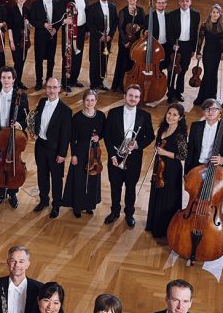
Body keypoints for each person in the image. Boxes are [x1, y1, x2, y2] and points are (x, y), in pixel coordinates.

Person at [104, 85, 155, 228]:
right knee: (115, 186)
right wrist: (112, 155)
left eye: (136, 97)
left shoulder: (145, 115)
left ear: (139, 99)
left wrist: (138, 144)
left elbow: (150, 136)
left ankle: (129, 214)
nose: (133, 99)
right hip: (116, 157)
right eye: (131, 96)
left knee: (131, 187)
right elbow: (107, 137)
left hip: (134, 159)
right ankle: (114, 212)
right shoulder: (113, 113)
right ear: (125, 96)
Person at [0, 66, 29, 209]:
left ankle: (13, 193)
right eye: (3, 77)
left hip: (15, 138)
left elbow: (27, 119)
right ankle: (1, 192)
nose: (6, 80)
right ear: (0, 79)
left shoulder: (21, 96)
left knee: (14, 166)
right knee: (0, 165)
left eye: (9, 78)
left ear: (14, 79)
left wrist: (19, 124)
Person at [62, 89, 107, 218]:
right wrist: (74, 155)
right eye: (87, 100)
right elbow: (72, 138)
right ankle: (77, 206)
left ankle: (89, 205)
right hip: (80, 150)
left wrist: (99, 137)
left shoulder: (101, 116)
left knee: (92, 177)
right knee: (79, 179)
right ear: (83, 101)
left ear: (96, 101)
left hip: (94, 151)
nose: (90, 103)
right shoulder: (77, 118)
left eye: (92, 100)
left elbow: (105, 132)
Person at [144, 104, 188, 239]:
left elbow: (183, 155)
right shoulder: (163, 128)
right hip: (160, 166)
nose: (171, 116)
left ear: (180, 118)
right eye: (169, 113)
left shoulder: (180, 134)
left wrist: (165, 152)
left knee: (167, 198)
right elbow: (158, 145)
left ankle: (165, 229)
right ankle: (153, 224)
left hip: (172, 169)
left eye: (175, 115)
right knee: (157, 194)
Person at [31, 78, 72, 218]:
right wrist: (35, 131)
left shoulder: (66, 110)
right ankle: (44, 200)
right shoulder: (42, 102)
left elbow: (66, 135)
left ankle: (56, 205)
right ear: (46, 88)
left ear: (59, 88)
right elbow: (37, 119)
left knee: (56, 178)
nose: (52, 90)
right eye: (49, 87)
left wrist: (62, 153)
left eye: (55, 87)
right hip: (40, 146)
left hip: (55, 150)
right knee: (42, 176)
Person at [164, 0, 200, 104]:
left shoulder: (195, 15)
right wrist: (172, 44)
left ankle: (179, 92)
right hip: (175, 45)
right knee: (172, 70)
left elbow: (195, 33)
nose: (185, 3)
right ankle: (170, 93)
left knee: (183, 70)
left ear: (190, 2)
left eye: (187, 1)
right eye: (183, 1)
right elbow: (168, 32)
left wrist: (194, 49)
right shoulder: (172, 14)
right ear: (179, 2)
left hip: (188, 46)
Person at [56, 0, 89, 89]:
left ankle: (74, 79)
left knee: (78, 55)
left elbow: (87, 13)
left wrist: (87, 30)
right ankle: (65, 82)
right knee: (68, 55)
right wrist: (65, 20)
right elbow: (60, 11)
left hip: (81, 28)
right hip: (69, 30)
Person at [186, 97, 223, 172]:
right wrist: (187, 171)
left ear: (219, 112)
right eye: (207, 109)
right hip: (196, 166)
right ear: (203, 112)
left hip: (216, 168)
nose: (210, 112)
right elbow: (190, 149)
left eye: (214, 109)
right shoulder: (195, 126)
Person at [84, 0, 117, 92]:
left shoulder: (112, 7)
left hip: (107, 40)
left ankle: (101, 82)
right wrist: (100, 36)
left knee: (104, 60)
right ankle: (93, 83)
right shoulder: (92, 7)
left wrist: (110, 35)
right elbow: (90, 24)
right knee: (94, 60)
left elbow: (114, 23)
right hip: (96, 39)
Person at [113, 0, 147, 93]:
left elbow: (143, 24)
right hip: (125, 42)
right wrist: (125, 42)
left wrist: (139, 27)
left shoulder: (141, 11)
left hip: (136, 42)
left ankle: (132, 84)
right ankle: (120, 85)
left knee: (133, 62)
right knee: (123, 62)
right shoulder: (123, 11)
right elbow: (121, 28)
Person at [192, 3, 223, 106]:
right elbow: (200, 40)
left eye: (217, 12)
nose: (215, 14)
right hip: (207, 53)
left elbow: (221, 40)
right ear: (210, 13)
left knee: (213, 75)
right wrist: (198, 52)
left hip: (217, 53)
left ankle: (212, 97)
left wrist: (222, 52)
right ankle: (201, 98)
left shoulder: (221, 25)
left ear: (220, 14)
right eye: (213, 12)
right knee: (207, 75)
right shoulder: (204, 25)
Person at [29, 0, 60, 90]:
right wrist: (44, 25)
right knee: (39, 60)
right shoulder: (35, 4)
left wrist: (55, 28)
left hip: (52, 36)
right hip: (40, 36)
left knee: (51, 60)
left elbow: (60, 19)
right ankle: (39, 81)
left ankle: (48, 81)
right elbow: (32, 21)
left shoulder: (57, 3)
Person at [6, 0, 31, 88]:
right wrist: (11, 42)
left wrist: (28, 24)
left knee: (23, 60)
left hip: (24, 40)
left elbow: (29, 26)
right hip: (15, 40)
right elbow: (10, 28)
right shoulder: (12, 11)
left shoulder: (26, 10)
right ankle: (14, 82)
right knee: (17, 62)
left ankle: (19, 81)